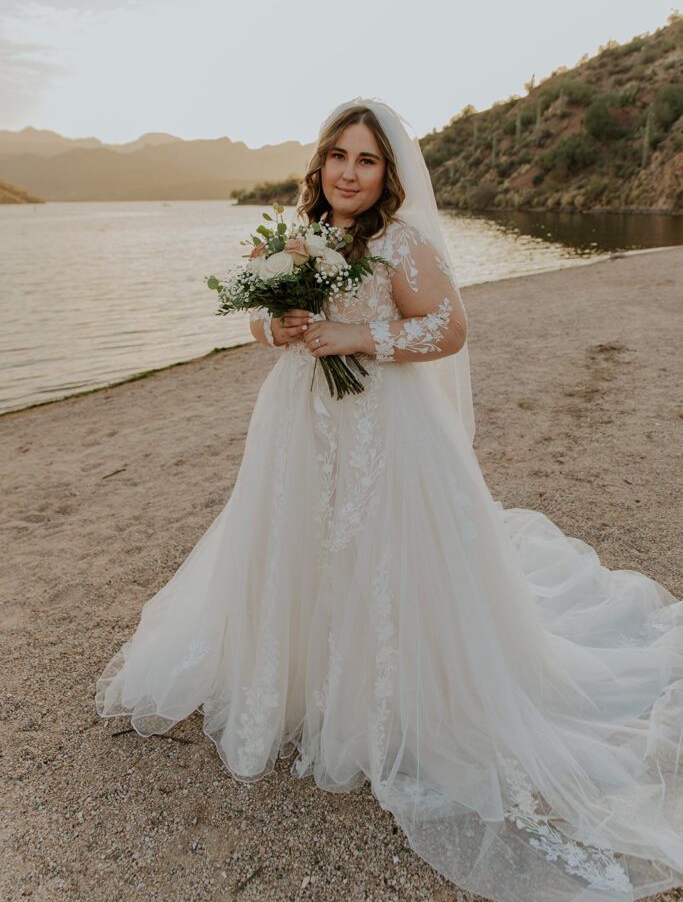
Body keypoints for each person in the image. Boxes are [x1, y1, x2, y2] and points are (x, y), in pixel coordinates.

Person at [96, 97, 683, 902]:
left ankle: (383, 699)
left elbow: (448, 328)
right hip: (298, 425)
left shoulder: (401, 243)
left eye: (365, 160)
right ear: (320, 164)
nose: (348, 172)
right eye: (338, 155)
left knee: (377, 548)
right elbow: (262, 327)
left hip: (384, 427)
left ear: (387, 174)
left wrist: (359, 336)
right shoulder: (296, 237)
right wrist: (285, 324)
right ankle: (303, 680)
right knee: (295, 543)